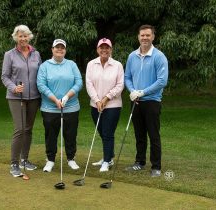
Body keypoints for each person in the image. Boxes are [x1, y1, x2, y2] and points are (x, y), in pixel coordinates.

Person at [124, 25, 168, 177]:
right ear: (138, 37)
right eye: (142, 35)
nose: (145, 38)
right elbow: (127, 77)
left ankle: (156, 166)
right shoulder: (132, 56)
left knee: (153, 135)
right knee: (139, 134)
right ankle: (139, 162)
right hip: (136, 101)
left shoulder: (159, 56)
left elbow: (162, 81)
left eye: (148, 35)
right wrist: (132, 91)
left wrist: (143, 92)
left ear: (153, 37)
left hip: (152, 101)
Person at [37, 39, 83, 172]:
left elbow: (79, 83)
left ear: (65, 50)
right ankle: (50, 160)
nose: (60, 50)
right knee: (51, 134)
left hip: (71, 107)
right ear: (52, 49)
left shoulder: (71, 65)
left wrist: (67, 96)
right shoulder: (45, 66)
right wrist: (55, 100)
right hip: (50, 108)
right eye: (57, 47)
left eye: (62, 48)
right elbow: (41, 85)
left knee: (70, 134)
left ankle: (71, 159)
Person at [1, 25, 42, 177]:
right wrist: (13, 88)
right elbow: (4, 76)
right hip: (15, 97)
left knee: (28, 129)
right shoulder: (9, 55)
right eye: (20, 36)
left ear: (29, 37)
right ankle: (14, 164)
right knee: (20, 129)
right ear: (16, 37)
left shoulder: (36, 54)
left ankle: (25, 159)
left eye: (25, 36)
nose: (23, 38)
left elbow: (41, 74)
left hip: (34, 97)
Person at [86, 38, 124, 172]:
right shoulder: (91, 64)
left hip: (113, 105)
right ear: (97, 50)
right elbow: (89, 84)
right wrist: (97, 100)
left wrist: (106, 98)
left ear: (111, 50)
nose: (104, 50)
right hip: (95, 105)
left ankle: (106, 161)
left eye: (107, 47)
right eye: (101, 47)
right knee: (102, 132)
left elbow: (120, 85)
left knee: (108, 133)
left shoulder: (117, 65)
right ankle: (109, 156)